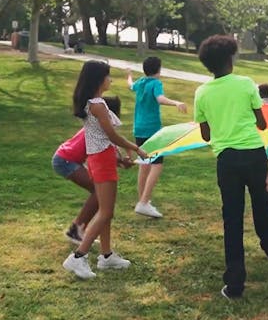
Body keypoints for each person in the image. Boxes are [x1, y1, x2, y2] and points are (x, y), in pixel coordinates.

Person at [194, 35, 268, 300]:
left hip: (227, 161)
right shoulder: (246, 84)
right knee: (261, 200)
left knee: (232, 218)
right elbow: (262, 123)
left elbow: (206, 135)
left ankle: (235, 283)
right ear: (231, 58)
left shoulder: (202, 92)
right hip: (254, 154)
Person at [63, 61, 147, 280]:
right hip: (101, 161)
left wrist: (121, 157)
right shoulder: (98, 105)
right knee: (106, 212)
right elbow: (112, 136)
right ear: (98, 80)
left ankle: (107, 256)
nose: (111, 80)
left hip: (102, 158)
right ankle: (78, 257)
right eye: (108, 76)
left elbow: (103, 139)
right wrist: (135, 148)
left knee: (105, 208)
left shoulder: (93, 103)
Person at [52, 96, 131, 245]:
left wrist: (121, 161)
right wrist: (124, 159)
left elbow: (109, 152)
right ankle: (77, 229)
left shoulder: (97, 126)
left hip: (65, 158)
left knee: (99, 191)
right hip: (65, 160)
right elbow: (106, 151)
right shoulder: (101, 128)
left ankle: (78, 228)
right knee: (98, 191)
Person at [127, 57, 187, 218]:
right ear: (158, 70)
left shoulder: (140, 82)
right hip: (151, 129)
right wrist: (176, 103)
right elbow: (159, 99)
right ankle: (144, 202)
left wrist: (129, 75)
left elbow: (130, 85)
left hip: (138, 129)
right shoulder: (155, 83)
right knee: (157, 165)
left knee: (144, 164)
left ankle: (143, 201)